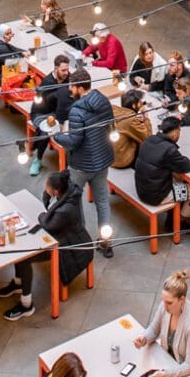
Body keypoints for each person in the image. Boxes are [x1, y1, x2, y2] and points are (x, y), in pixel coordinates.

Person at [0, 168, 95, 320]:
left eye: (47, 187)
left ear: (56, 191)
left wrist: (42, 215)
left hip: (67, 247)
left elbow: (48, 223)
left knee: (25, 257)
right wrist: (47, 196)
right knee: (22, 248)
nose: (45, 187)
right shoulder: (68, 193)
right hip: (62, 236)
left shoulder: (65, 210)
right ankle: (18, 283)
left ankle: (26, 305)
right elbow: (50, 214)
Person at [63, 73, 115, 256]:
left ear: (79, 87)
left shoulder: (76, 111)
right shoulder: (103, 100)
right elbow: (111, 126)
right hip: (102, 161)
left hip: (81, 164)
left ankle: (82, 243)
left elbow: (74, 142)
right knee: (102, 201)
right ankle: (105, 242)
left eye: (71, 86)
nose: (70, 89)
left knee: (75, 201)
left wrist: (56, 135)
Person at [131, 268, 190, 377]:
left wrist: (164, 374)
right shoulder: (165, 306)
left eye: (169, 303)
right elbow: (154, 329)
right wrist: (144, 338)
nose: (164, 306)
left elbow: (189, 365)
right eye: (163, 300)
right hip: (172, 362)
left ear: (182, 300)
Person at [133, 114, 190, 223]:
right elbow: (187, 166)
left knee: (178, 178)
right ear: (175, 132)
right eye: (179, 131)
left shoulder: (149, 139)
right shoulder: (169, 150)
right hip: (157, 197)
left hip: (141, 190)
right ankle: (184, 216)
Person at [26, 55, 77, 175]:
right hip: (41, 112)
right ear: (55, 69)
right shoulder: (47, 82)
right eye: (63, 70)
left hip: (58, 111)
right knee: (45, 130)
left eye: (67, 70)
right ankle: (38, 159)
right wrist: (60, 95)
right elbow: (48, 101)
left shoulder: (68, 79)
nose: (66, 73)